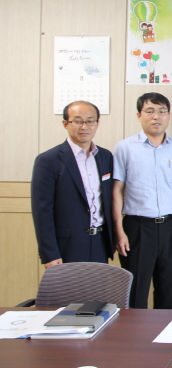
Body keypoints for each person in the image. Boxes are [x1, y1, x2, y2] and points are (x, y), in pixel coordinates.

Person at [112, 92, 172, 309]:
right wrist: (119, 231)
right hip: (138, 228)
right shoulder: (125, 148)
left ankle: (165, 331)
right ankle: (134, 332)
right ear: (139, 115)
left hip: (171, 226)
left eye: (162, 111)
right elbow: (117, 190)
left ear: (169, 115)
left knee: (168, 289)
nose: (156, 116)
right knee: (135, 291)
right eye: (150, 111)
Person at [31, 101, 114, 268]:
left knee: (98, 286)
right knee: (69, 287)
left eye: (90, 121)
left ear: (97, 123)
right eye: (78, 121)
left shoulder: (105, 157)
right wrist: (50, 253)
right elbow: (42, 211)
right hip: (67, 245)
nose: (84, 126)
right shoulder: (48, 160)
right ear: (65, 124)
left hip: (100, 242)